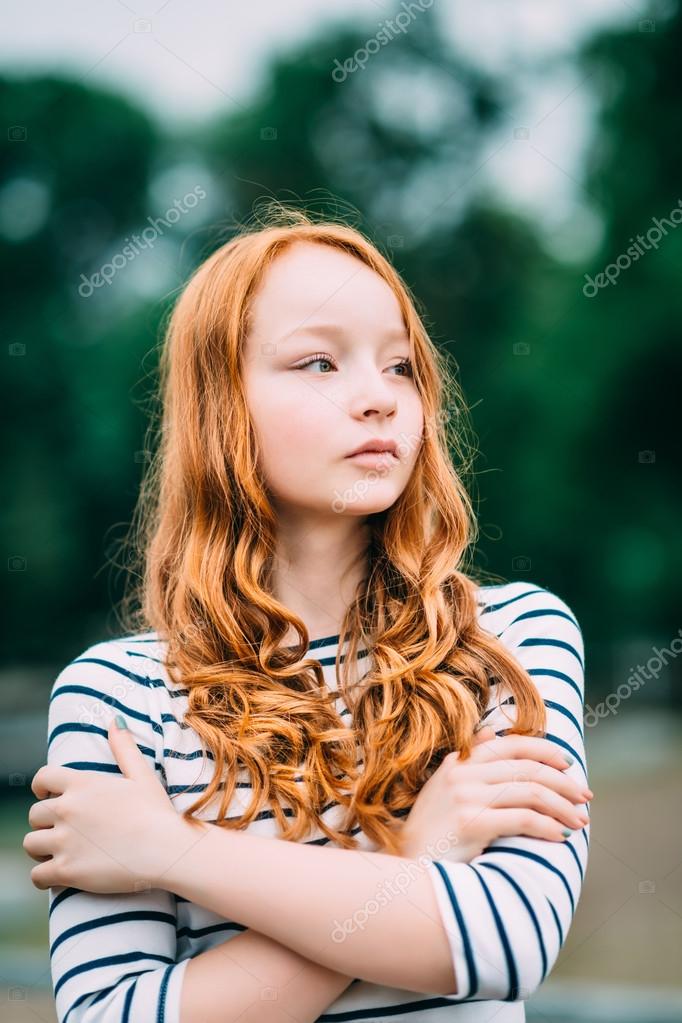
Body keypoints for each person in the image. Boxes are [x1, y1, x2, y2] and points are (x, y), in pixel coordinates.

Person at [23, 208, 591, 1023]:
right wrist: (420, 855)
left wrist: (173, 850)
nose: (378, 399)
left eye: (400, 366)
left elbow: (507, 940)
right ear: (222, 406)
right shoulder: (117, 696)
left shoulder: (507, 639)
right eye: (320, 361)